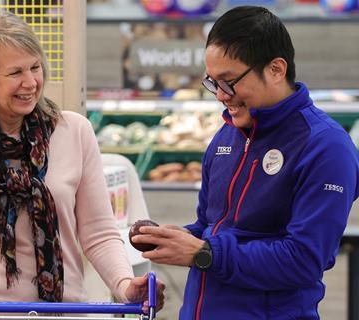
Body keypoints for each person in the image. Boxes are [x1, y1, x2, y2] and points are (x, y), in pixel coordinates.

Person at [0, 11, 164, 314]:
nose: (31, 82)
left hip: (63, 311)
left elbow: (98, 233)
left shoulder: (74, 131)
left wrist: (125, 284)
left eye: (35, 67)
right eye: (15, 73)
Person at [131, 5, 359, 319]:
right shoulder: (226, 136)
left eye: (229, 81)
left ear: (277, 70)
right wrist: (172, 243)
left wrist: (204, 253)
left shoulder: (326, 147)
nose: (221, 96)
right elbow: (209, 227)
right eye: (212, 82)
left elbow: (304, 259)